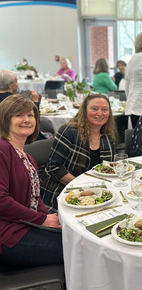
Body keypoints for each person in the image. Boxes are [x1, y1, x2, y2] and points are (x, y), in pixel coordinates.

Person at [0, 94, 63, 266]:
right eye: (18, 115)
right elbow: (1, 201)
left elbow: (35, 199)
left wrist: (50, 219)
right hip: (7, 235)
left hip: (23, 226)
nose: (26, 120)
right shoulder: (2, 149)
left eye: (30, 115)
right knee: (75, 249)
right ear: (5, 120)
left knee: (73, 238)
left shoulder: (28, 157)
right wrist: (42, 220)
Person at [40, 94, 117, 212]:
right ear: (84, 111)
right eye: (94, 109)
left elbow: (107, 168)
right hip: (62, 191)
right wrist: (83, 186)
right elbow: (54, 167)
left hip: (94, 192)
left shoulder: (107, 137)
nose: (100, 113)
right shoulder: (69, 131)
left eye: (104, 110)